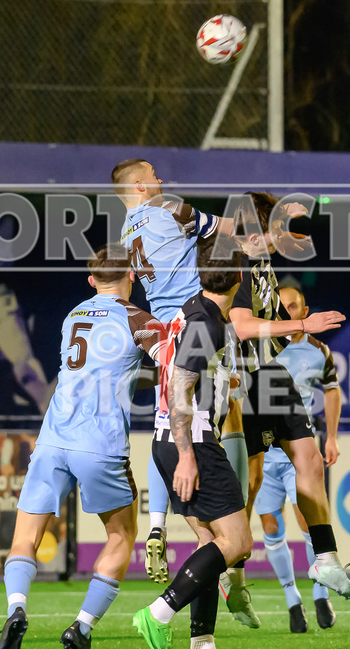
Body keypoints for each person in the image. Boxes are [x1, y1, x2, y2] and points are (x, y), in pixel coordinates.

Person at [0, 245, 167, 649]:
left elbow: (99, 369)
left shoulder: (74, 315)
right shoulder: (139, 319)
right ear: (132, 275)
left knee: (25, 536)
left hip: (53, 439)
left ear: (91, 280)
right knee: (122, 534)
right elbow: (172, 363)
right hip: (100, 444)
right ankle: (82, 627)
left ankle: (16, 608)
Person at [113, 158, 249, 586]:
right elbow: (229, 228)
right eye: (153, 174)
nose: (161, 179)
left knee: (168, 423)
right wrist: (266, 226)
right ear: (139, 185)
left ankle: (157, 524)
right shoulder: (168, 208)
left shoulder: (125, 232)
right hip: (198, 319)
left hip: (165, 333)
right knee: (225, 416)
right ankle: (228, 528)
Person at [227, 191, 350, 603]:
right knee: (248, 482)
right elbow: (242, 327)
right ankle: (232, 570)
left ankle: (325, 559)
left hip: (270, 374)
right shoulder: (236, 263)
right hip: (241, 381)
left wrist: (284, 219)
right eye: (278, 227)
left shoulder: (261, 260)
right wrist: (303, 324)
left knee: (311, 459)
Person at [133, 239, 253, 649]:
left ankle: (202, 641)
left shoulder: (193, 310)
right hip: (193, 442)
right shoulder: (207, 322)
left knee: (210, 543)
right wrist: (187, 456)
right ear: (239, 277)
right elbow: (179, 386)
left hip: (170, 439)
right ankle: (157, 614)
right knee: (237, 543)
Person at [254, 285, 342, 633]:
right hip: (264, 453)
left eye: (293, 307)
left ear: (304, 312)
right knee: (271, 528)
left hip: (298, 454)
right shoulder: (261, 346)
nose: (287, 312)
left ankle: (320, 593)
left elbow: (331, 390)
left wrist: (331, 437)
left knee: (307, 523)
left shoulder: (318, 350)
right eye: (282, 306)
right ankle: (293, 601)